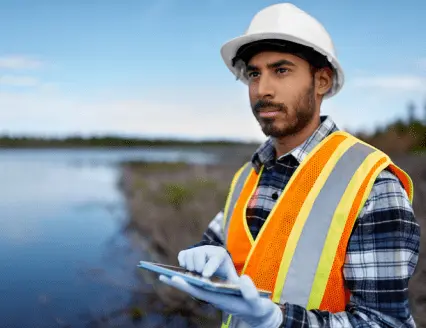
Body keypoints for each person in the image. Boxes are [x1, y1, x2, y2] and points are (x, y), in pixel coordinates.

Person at [159, 3, 420, 327]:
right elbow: (213, 252)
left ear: (322, 81)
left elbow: (385, 322)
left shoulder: (372, 184)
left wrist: (279, 321)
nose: (262, 89)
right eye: (254, 73)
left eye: (281, 70)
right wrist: (202, 271)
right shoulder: (247, 177)